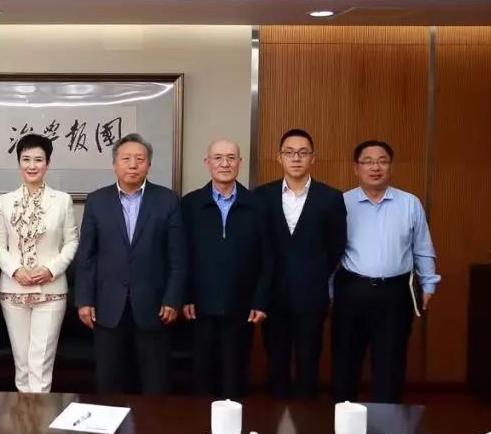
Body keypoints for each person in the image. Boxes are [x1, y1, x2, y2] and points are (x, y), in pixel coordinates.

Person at [75, 133, 186, 395]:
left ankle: (153, 422)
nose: (133, 165)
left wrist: (173, 299)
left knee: (155, 384)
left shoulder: (167, 200)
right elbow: (87, 255)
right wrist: (84, 300)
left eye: (140, 159)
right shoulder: (97, 200)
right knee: (110, 384)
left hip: (155, 306)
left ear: (149, 164)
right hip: (107, 307)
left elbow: (178, 257)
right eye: (126, 159)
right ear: (114, 164)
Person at [333, 140, 440, 404]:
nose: (375, 167)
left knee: (391, 363)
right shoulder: (341, 203)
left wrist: (429, 283)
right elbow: (329, 251)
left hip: (395, 293)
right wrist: (328, 291)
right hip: (352, 290)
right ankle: (343, 420)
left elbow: (422, 247)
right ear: (356, 168)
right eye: (368, 161)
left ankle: (388, 424)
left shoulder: (409, 203)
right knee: (346, 361)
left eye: (382, 161)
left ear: (391, 167)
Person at [255, 129, 347, 399]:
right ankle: (276, 421)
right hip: (273, 297)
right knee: (276, 366)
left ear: (313, 158)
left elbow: (337, 246)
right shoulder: (261, 196)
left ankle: (306, 421)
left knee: (309, 365)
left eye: (303, 153)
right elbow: (258, 245)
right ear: (279, 157)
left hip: (312, 296)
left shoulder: (331, 197)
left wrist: (313, 273)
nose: (296, 158)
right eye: (289, 152)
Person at [182, 138, 272, 400]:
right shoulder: (190, 204)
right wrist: (186, 295)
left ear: (240, 163)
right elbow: (181, 255)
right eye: (218, 158)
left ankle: (233, 426)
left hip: (242, 307)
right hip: (199, 308)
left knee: (235, 378)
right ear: (207, 163)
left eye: (231, 158)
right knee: (202, 378)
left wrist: (261, 300)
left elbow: (268, 258)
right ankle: (201, 425)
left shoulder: (258, 205)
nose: (225, 164)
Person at [0, 134, 79, 393]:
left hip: (51, 291)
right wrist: (15, 270)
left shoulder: (62, 200)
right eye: (26, 159)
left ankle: (40, 417)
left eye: (38, 160)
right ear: (19, 163)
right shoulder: (5, 201)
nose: (32, 165)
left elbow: (71, 242)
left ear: (48, 163)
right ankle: (23, 417)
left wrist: (52, 269)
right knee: (22, 363)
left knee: (40, 364)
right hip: (13, 290)